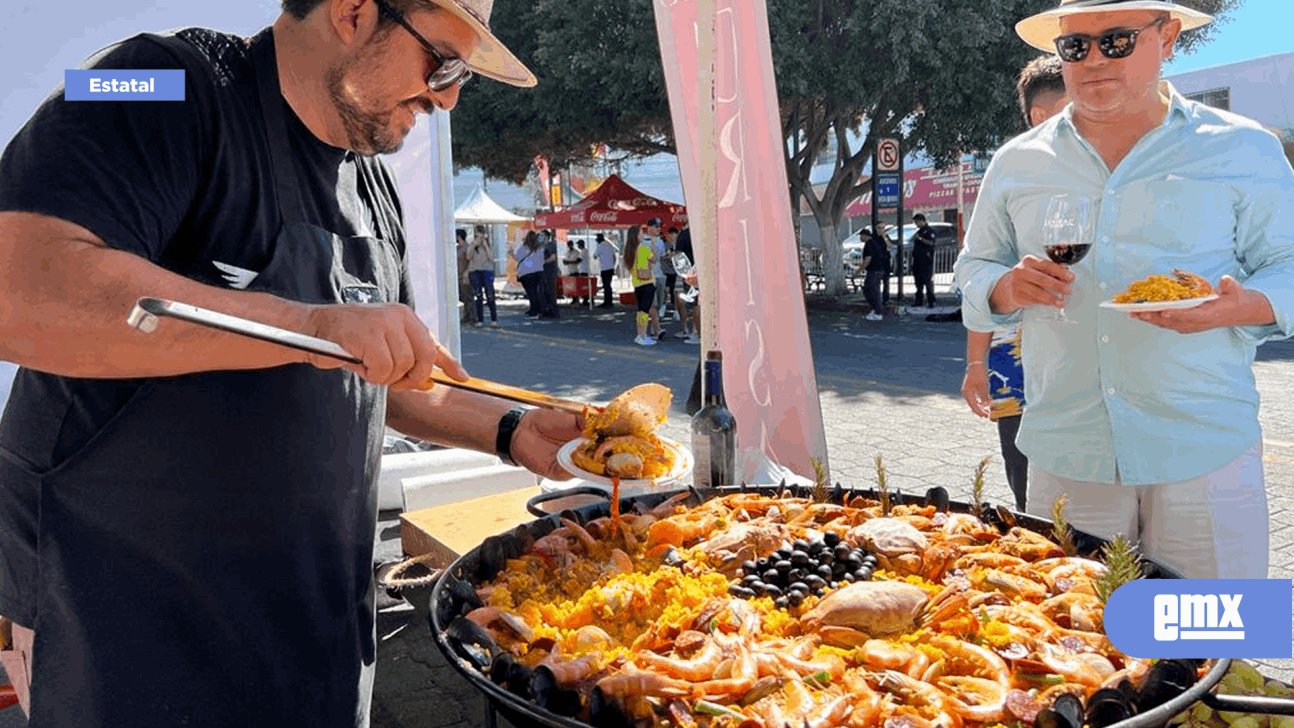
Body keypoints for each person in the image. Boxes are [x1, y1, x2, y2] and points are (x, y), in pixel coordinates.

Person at [0, 2, 582, 722]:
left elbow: (384, 384)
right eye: (445, 63)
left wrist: (515, 429)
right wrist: (310, 323)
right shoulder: (149, 79)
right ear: (354, 11)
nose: (449, 97)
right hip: (127, 633)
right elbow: (19, 291)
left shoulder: (374, 189)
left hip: (317, 638)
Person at [954, 0, 1294, 579]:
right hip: (1067, 452)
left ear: (1168, 39)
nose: (1092, 60)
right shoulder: (1016, 162)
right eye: (1074, 46)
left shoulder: (1245, 148)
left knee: (1208, 645)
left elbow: (1287, 264)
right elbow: (975, 267)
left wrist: (1245, 307)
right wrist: (1008, 287)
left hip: (1203, 450)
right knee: (1072, 650)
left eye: (1115, 40)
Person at [961, 54, 1068, 513]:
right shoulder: (1012, 174)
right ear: (1040, 115)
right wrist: (975, 364)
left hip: (1083, 369)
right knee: (1027, 480)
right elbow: (981, 273)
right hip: (1016, 365)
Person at [623, 225, 657, 346]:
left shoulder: (628, 251)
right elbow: (655, 258)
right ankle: (642, 335)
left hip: (637, 284)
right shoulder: (642, 249)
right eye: (641, 232)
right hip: (647, 283)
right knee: (645, 311)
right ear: (637, 235)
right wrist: (653, 243)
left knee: (641, 310)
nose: (643, 234)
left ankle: (640, 335)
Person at [467, 223, 498, 327]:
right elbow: (468, 256)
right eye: (477, 235)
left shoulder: (488, 245)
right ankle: (480, 320)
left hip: (487, 271)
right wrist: (474, 245)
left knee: (490, 295)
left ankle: (494, 319)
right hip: (475, 271)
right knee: (478, 296)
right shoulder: (472, 244)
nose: (479, 238)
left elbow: (491, 257)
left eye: (481, 235)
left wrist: (485, 245)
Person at [859, 227, 891, 322]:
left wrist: (859, 270)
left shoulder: (869, 245)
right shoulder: (873, 244)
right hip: (877, 270)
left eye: (861, 236)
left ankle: (877, 312)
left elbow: (867, 259)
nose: (860, 238)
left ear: (865, 236)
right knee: (869, 290)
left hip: (875, 271)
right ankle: (875, 309)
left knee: (872, 291)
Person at [642, 218, 667, 332]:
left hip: (660, 275)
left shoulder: (661, 241)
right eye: (656, 226)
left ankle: (654, 329)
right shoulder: (643, 241)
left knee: (659, 304)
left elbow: (662, 258)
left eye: (659, 226)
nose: (658, 229)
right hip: (649, 277)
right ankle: (656, 329)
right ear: (649, 227)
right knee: (652, 304)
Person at [514, 230, 546, 317]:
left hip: (526, 272)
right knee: (536, 291)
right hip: (538, 271)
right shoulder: (539, 247)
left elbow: (517, 257)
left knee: (530, 292)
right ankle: (537, 309)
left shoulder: (523, 247)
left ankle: (533, 310)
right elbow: (542, 259)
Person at [911, 213, 937, 307]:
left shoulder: (929, 231)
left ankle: (931, 301)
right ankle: (919, 301)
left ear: (922, 220)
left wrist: (921, 239)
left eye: (917, 222)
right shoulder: (919, 231)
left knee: (927, 281)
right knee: (918, 282)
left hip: (926, 260)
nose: (916, 224)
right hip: (917, 260)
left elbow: (931, 243)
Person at [456, 228, 478, 325]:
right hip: (459, 276)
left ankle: (472, 317)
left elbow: (471, 261)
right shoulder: (458, 248)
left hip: (466, 275)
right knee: (463, 297)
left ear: (459, 236)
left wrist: (467, 272)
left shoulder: (466, 247)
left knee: (468, 296)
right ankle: (466, 315)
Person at [541, 228, 560, 318]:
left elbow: (553, 257)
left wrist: (543, 262)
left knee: (551, 291)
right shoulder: (541, 246)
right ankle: (547, 309)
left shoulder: (551, 245)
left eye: (542, 236)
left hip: (550, 271)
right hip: (543, 271)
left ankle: (554, 310)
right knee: (544, 291)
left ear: (547, 237)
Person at [596, 232, 617, 308]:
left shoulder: (600, 245)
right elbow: (614, 257)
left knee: (606, 286)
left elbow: (595, 255)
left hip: (604, 268)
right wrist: (613, 265)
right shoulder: (610, 244)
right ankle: (609, 301)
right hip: (610, 268)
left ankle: (607, 302)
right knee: (608, 285)